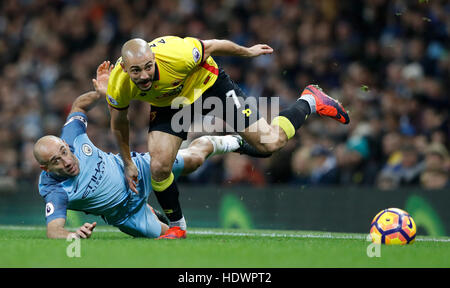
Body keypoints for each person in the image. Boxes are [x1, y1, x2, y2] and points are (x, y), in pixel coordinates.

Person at [106, 36, 350, 238]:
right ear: (125, 69)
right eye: (136, 71)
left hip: (210, 85)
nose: (145, 75)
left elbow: (213, 45)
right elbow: (118, 124)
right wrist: (128, 162)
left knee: (269, 144)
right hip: (172, 104)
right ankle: (178, 227)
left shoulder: (176, 54)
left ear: (154, 58)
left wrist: (247, 52)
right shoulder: (118, 84)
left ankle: (309, 100)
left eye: (148, 66)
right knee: (159, 166)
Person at [34, 62, 244, 239]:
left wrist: (98, 94)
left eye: (64, 152)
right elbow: (54, 230)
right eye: (56, 161)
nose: (66, 160)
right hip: (127, 214)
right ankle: (150, 212)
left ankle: (234, 142)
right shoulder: (54, 190)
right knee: (175, 237)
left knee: (196, 160)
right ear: (46, 168)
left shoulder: (71, 137)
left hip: (137, 169)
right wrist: (73, 234)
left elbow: (78, 107)